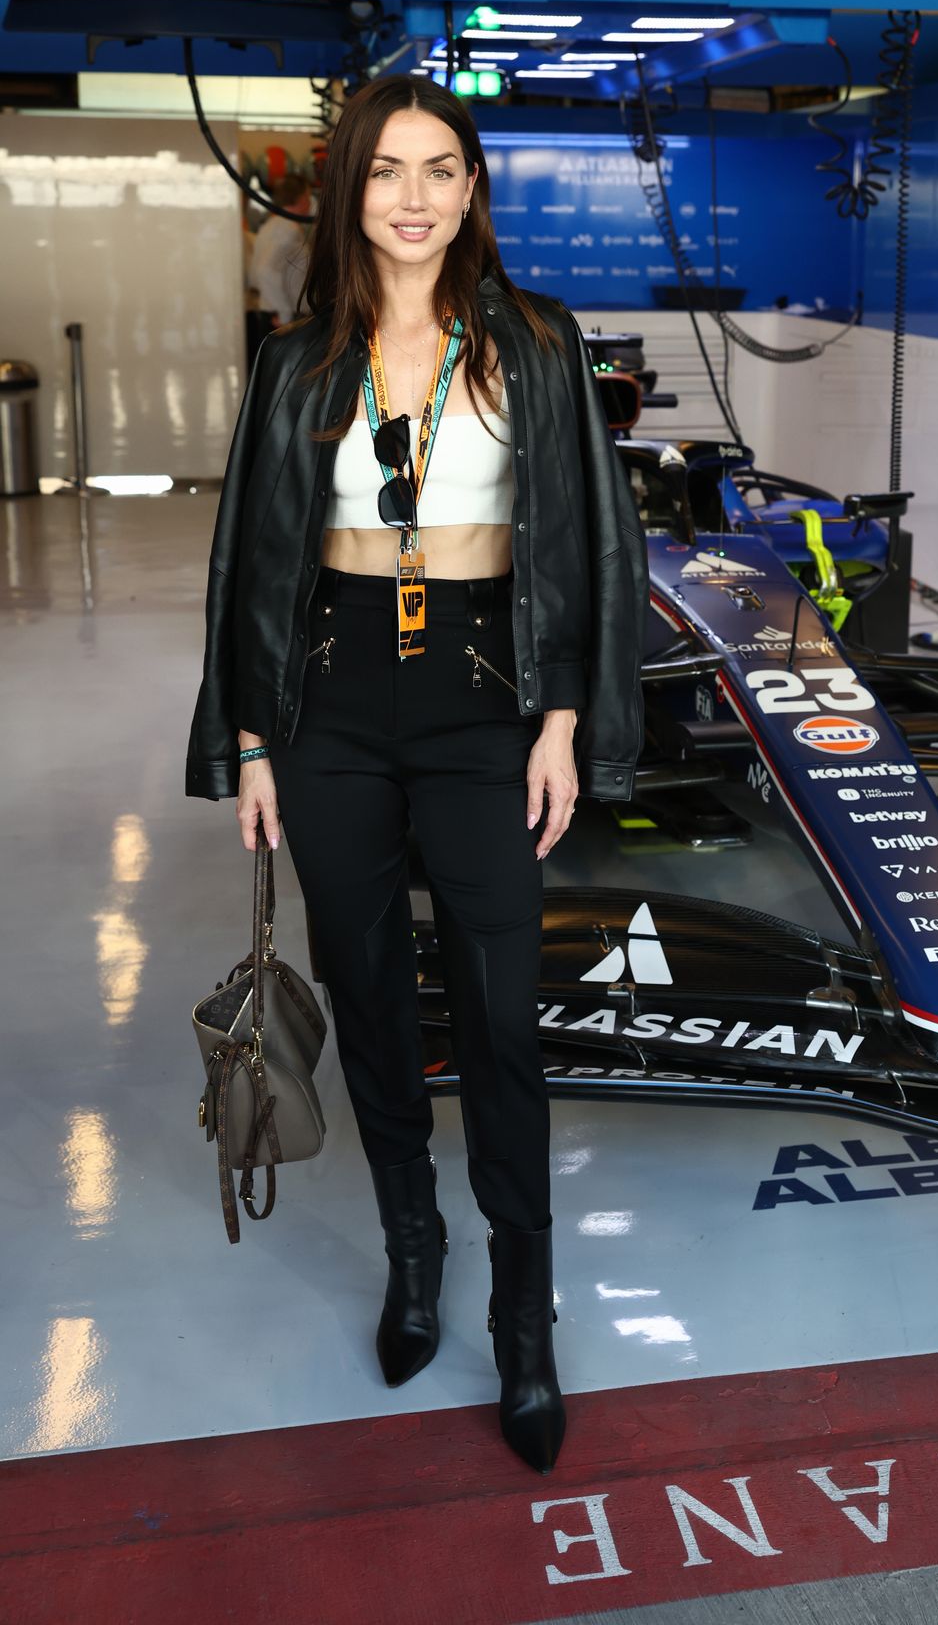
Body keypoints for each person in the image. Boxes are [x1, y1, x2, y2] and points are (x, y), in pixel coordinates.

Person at [185, 74, 648, 1475]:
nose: (412, 196)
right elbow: (252, 563)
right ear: (349, 189)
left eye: (439, 168)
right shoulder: (297, 358)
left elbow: (586, 542)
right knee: (372, 996)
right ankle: (412, 1247)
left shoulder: (535, 340)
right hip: (331, 702)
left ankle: (523, 1314)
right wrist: (252, 739)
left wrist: (562, 718)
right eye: (386, 169)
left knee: (501, 1017)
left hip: (484, 698)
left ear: (472, 188)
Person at [249, 175, 312, 326]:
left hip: (272, 311)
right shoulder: (288, 229)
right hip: (284, 316)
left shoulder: (269, 226)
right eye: (308, 196)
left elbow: (256, 274)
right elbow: (265, 270)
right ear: (301, 199)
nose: (310, 202)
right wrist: (285, 315)